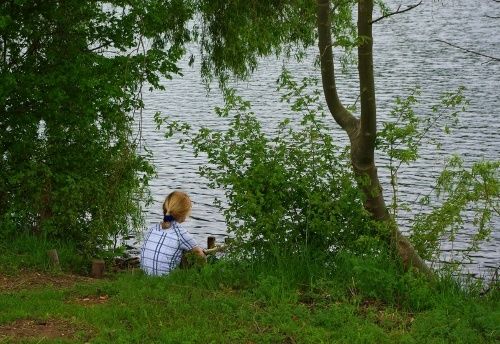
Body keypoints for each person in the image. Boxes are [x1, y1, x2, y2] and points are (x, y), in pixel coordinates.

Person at [140, 191, 206, 276]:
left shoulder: (153, 229)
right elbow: (199, 254)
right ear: (183, 212)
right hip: (165, 281)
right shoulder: (180, 232)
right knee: (191, 252)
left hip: (145, 277)